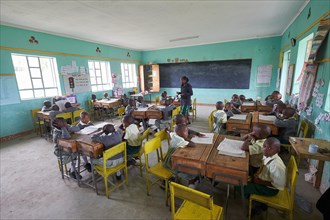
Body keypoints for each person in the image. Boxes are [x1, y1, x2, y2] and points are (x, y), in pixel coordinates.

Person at [244, 137, 286, 215]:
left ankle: (258, 205)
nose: (264, 149)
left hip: (270, 189)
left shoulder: (277, 166)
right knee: (246, 178)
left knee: (242, 187)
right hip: (263, 180)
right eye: (264, 146)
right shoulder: (268, 155)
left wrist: (260, 182)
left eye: (270, 148)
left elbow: (278, 186)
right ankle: (257, 202)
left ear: (276, 150)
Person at [163, 124, 198, 188]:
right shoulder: (181, 141)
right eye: (186, 131)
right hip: (171, 165)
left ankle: (173, 178)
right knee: (192, 173)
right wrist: (186, 138)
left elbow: (170, 132)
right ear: (181, 133)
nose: (188, 133)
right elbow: (193, 144)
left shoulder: (174, 135)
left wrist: (167, 130)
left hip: (167, 160)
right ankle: (190, 189)